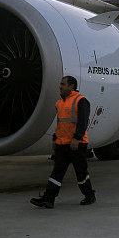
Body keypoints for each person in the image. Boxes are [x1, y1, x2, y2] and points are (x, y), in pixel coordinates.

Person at [31, 76, 96, 208]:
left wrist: (76, 139)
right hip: (62, 144)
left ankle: (89, 195)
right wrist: (55, 139)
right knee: (57, 172)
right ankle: (48, 199)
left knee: (81, 173)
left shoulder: (81, 101)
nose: (60, 86)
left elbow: (83, 123)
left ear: (71, 86)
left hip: (76, 144)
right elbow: (60, 123)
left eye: (63, 84)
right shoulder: (59, 103)